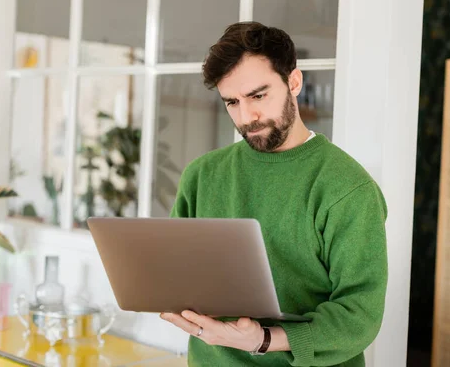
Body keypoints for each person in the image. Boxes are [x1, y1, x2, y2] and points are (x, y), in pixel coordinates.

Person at [160, 21, 388, 367]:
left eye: (258, 95)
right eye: (231, 102)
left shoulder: (348, 188)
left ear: (293, 82)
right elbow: (178, 274)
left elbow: (359, 316)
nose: (246, 116)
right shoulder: (202, 175)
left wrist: (264, 339)